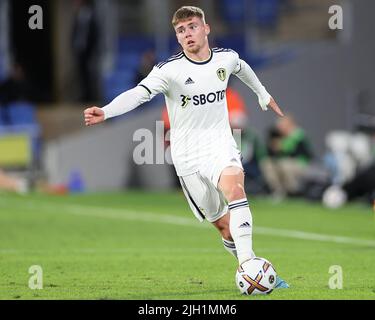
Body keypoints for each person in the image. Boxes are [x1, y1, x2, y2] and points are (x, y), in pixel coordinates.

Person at [84, 6, 288, 289]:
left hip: (220, 144)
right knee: (224, 227)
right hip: (187, 155)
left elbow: (242, 67)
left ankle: (251, 272)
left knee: (236, 189)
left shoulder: (225, 59)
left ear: (206, 29)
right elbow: (137, 95)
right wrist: (106, 111)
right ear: (177, 38)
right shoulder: (169, 71)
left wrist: (263, 95)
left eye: (192, 26)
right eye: (181, 31)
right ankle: (251, 267)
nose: (187, 34)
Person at [262, 114, 313, 199]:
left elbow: (290, 150)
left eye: (283, 125)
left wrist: (280, 146)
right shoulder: (277, 134)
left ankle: (293, 192)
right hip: (282, 163)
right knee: (267, 164)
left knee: (285, 164)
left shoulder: (298, 134)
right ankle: (278, 191)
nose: (280, 127)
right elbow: (270, 151)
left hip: (301, 164)